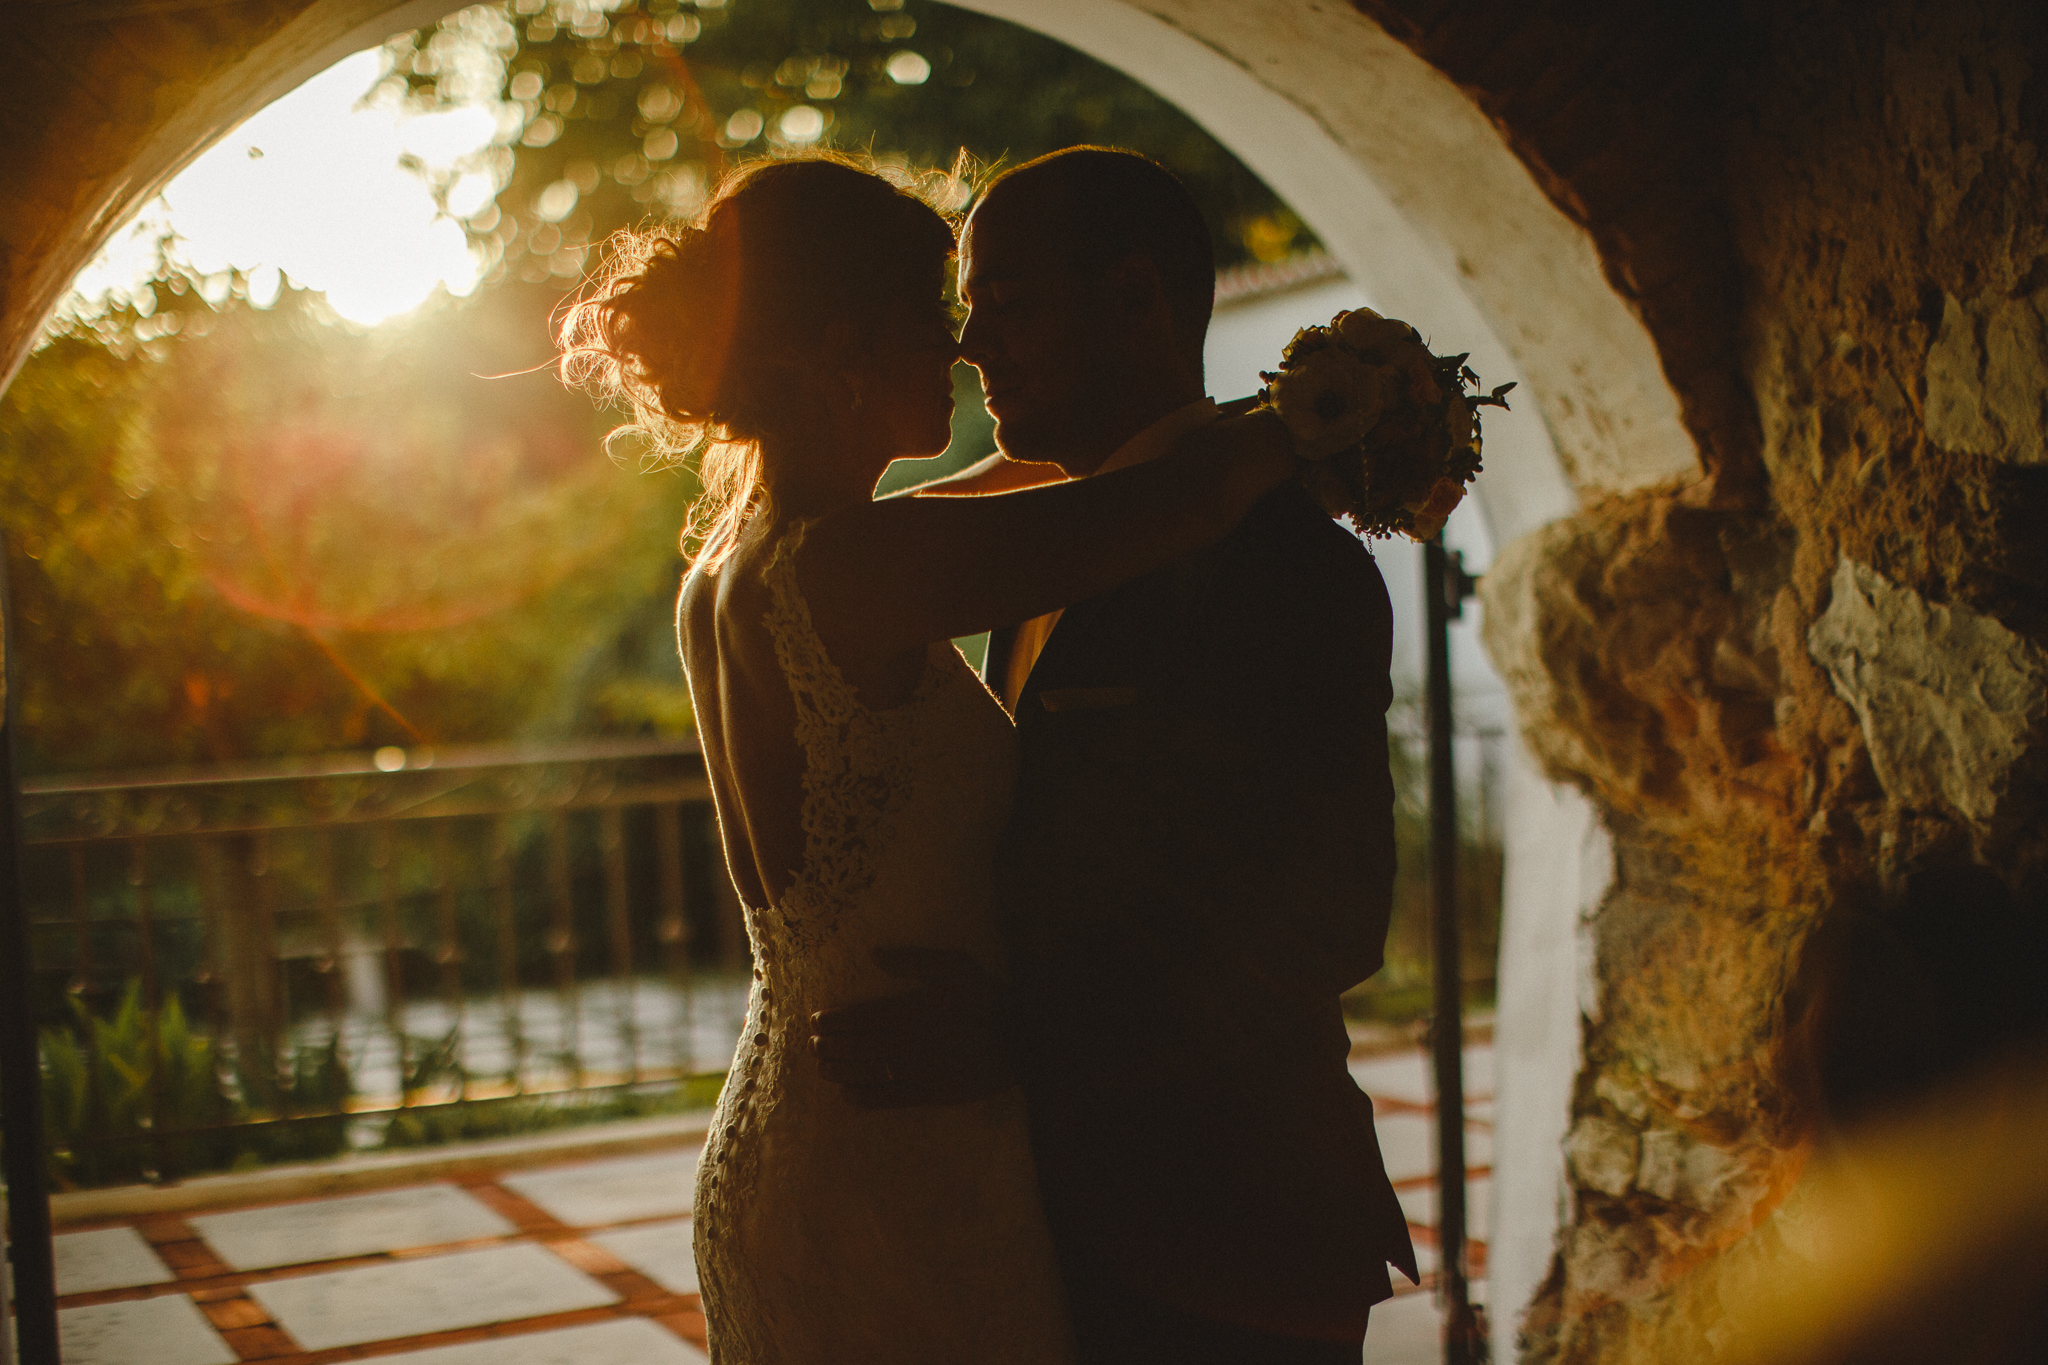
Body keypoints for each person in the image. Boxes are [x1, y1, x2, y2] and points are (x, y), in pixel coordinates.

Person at [558, 153, 1296, 1363]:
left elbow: (1006, 499)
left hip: (805, 1125)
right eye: (928, 319)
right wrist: (1335, 403)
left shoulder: (749, 559)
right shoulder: (867, 569)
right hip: (900, 1149)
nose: (958, 353)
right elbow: (1183, 500)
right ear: (842, 349)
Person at [814, 147, 1417, 1363]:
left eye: (1009, 304)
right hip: (1049, 1213)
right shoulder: (1050, 546)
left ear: (1139, 302)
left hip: (1230, 1223)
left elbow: (1325, 918)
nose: (974, 347)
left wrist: (1011, 1031)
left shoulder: (1281, 566)